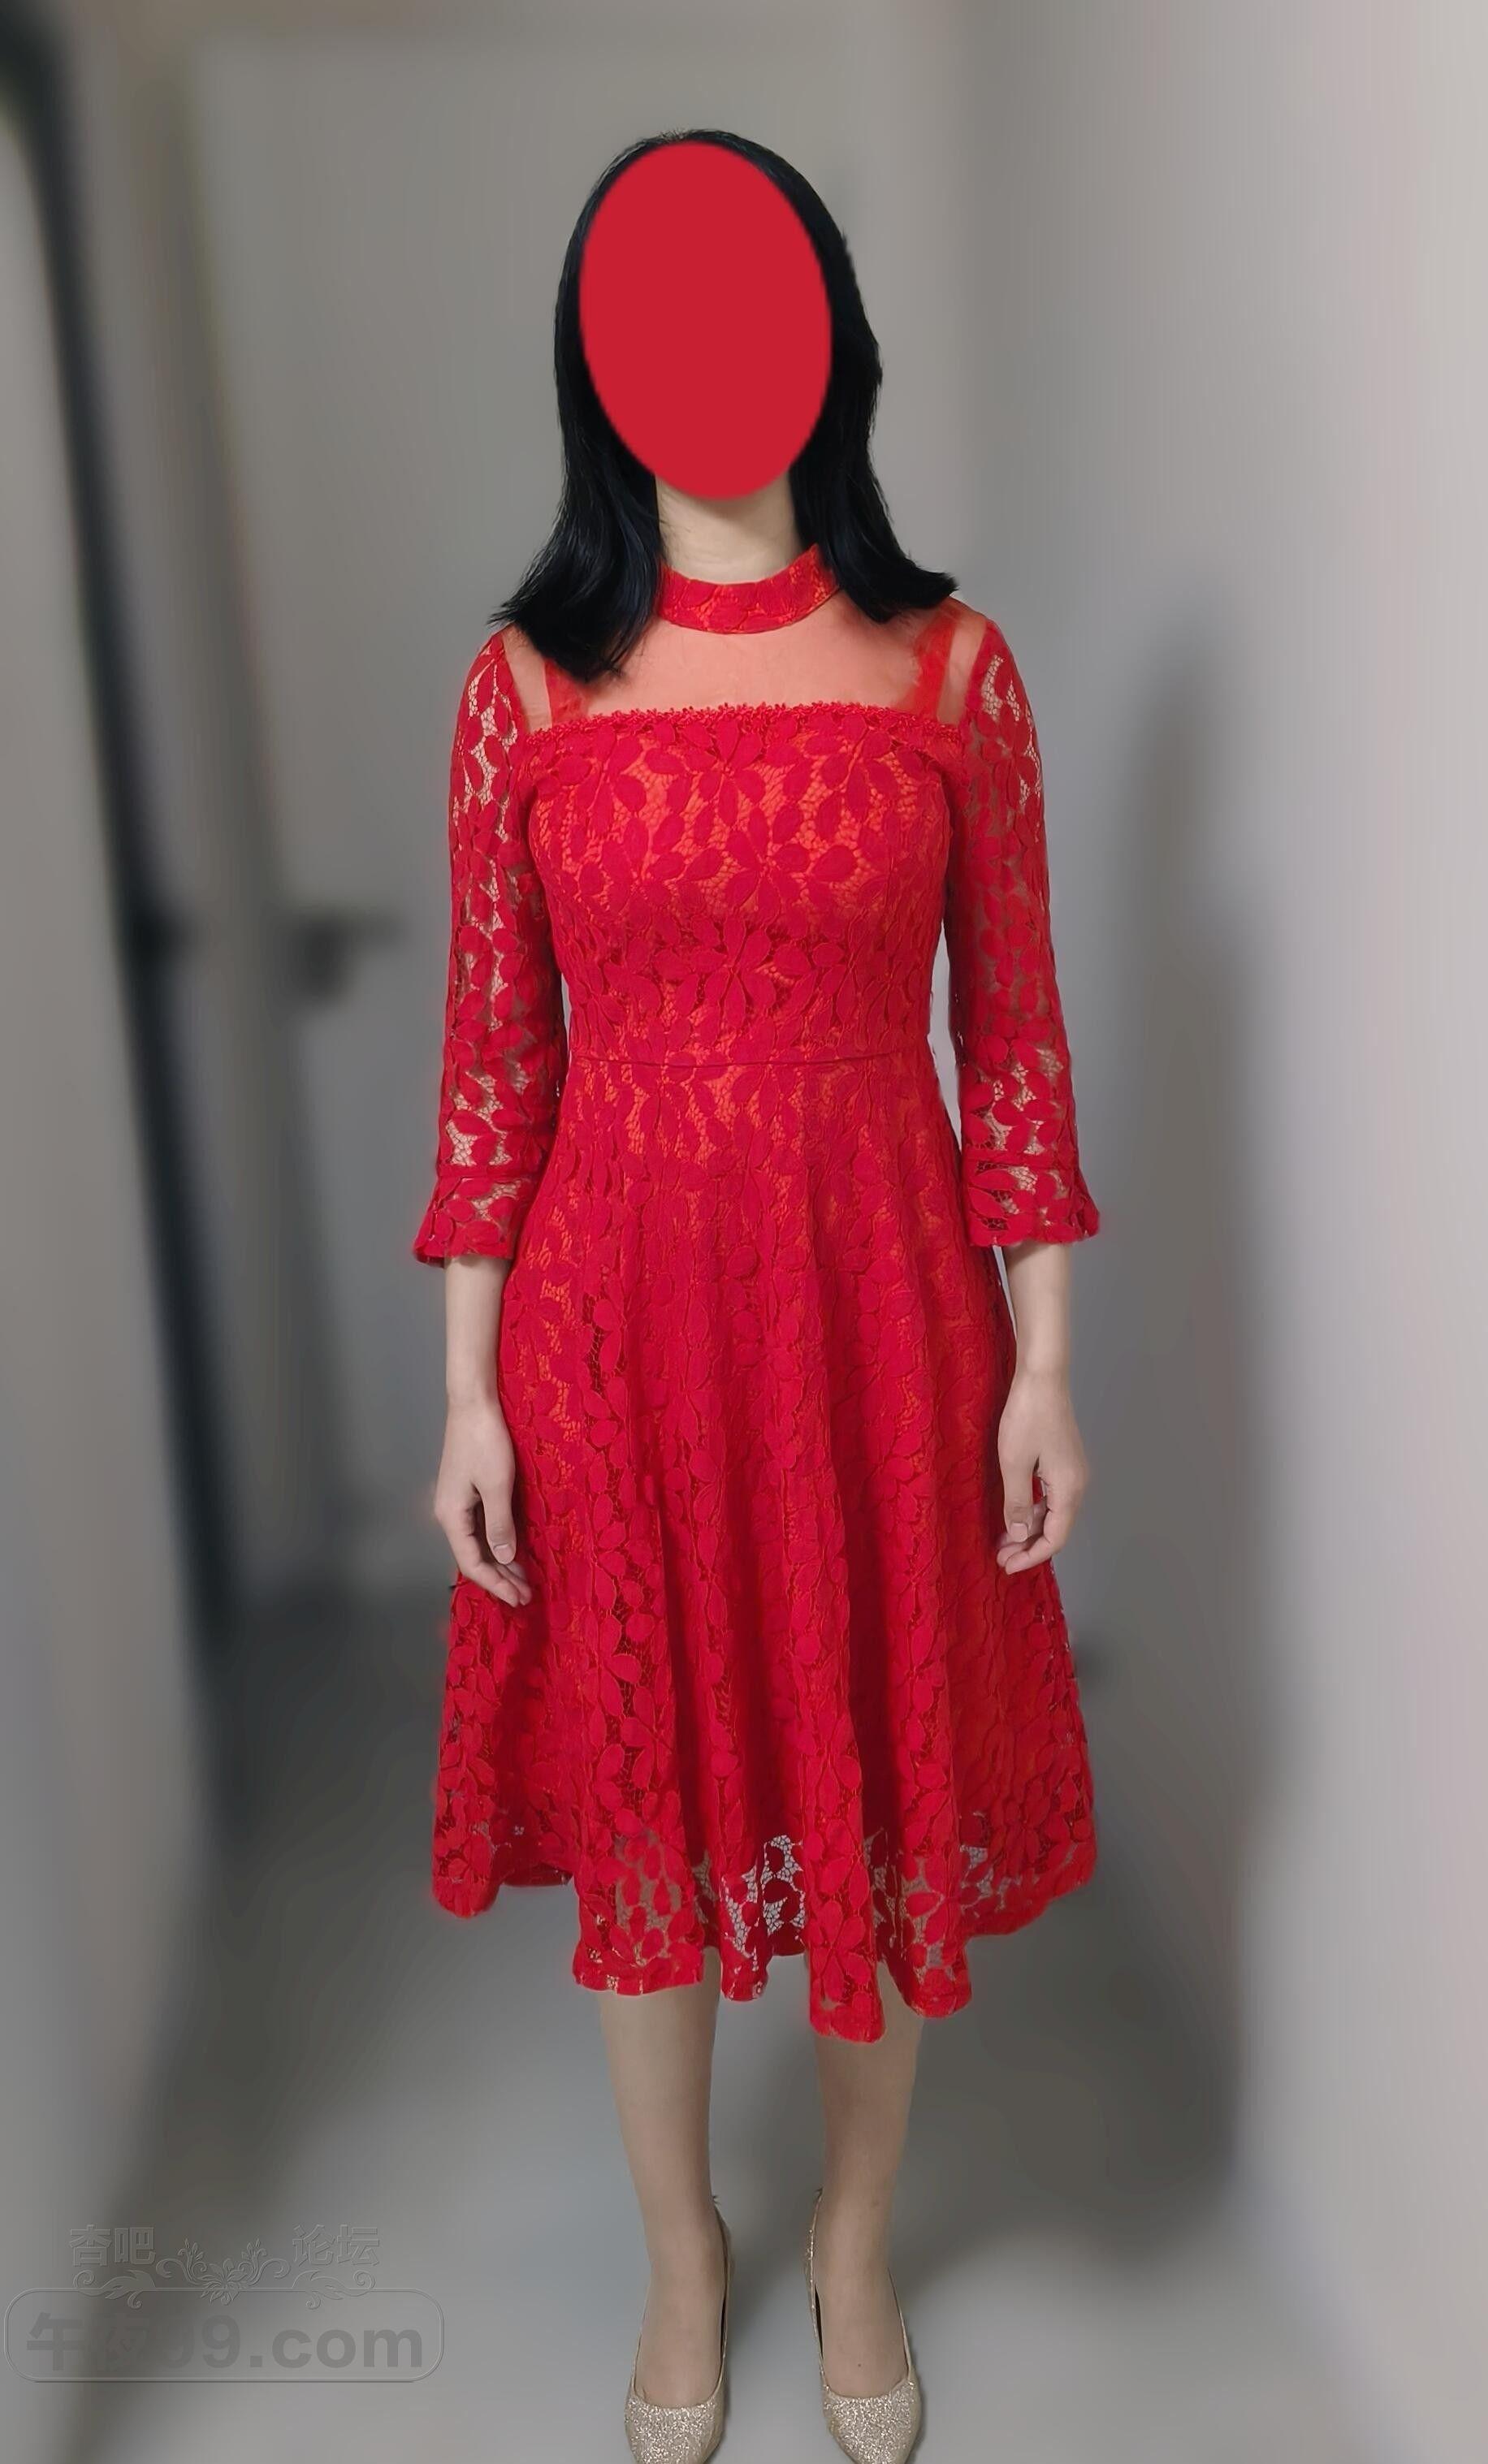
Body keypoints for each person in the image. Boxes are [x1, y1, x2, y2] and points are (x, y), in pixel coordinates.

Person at [415, 128, 1102, 2464]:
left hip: (880, 1311)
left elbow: (1017, 1041)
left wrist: (1045, 1364)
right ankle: (683, 2254)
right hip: (610, 1329)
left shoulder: (951, 669)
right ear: (602, 366)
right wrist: (468, 1398)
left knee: (873, 1804)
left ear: (830, 340)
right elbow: (492, 1071)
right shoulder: (528, 688)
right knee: (657, 1807)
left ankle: (854, 2237)